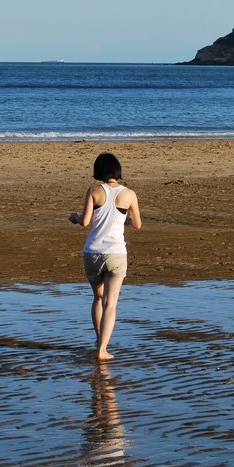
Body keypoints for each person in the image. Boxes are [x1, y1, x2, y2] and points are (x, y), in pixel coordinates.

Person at [69, 153, 142, 361]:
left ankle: (98, 340)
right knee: (111, 303)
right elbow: (137, 224)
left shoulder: (94, 191)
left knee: (98, 298)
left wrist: (74, 217)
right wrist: (125, 220)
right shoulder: (129, 194)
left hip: (93, 253)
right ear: (117, 171)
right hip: (116, 254)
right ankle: (103, 349)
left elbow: (84, 222)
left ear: (99, 171)